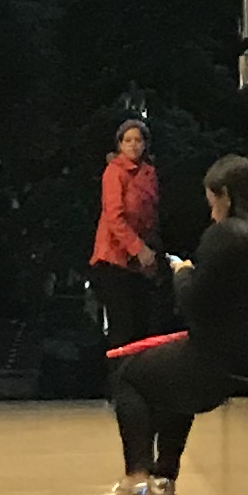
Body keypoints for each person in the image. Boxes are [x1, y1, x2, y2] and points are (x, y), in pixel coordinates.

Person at [92, 152, 248, 495]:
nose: (212, 214)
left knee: (128, 375)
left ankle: (136, 483)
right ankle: (163, 479)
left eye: (213, 203)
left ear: (226, 196)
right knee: (171, 374)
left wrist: (184, 273)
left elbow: (193, 303)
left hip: (222, 361)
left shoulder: (225, 236)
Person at [89, 115, 164, 354]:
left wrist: (151, 253)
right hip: (115, 258)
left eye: (138, 140)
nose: (133, 145)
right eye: (127, 140)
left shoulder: (149, 173)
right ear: (119, 144)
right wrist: (138, 248)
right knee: (123, 327)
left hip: (140, 262)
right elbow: (114, 216)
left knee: (143, 326)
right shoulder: (115, 172)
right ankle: (119, 374)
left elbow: (152, 217)